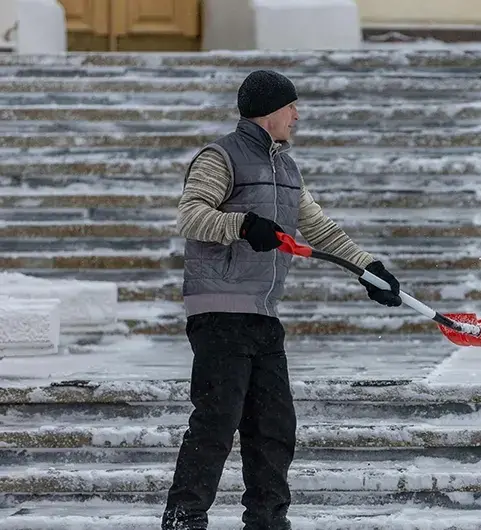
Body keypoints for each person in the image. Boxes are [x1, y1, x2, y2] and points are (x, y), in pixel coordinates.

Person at [161, 69, 402, 530]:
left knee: (274, 428)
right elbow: (191, 215)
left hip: (263, 314)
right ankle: (184, 519)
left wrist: (368, 269)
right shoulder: (221, 156)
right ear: (269, 112)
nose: (297, 114)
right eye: (291, 106)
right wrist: (243, 224)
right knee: (216, 421)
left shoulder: (287, 169)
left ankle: (268, 522)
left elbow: (320, 229)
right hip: (219, 309)